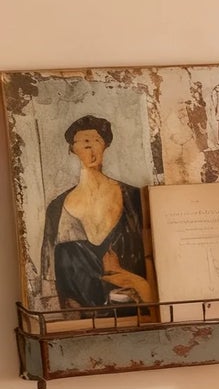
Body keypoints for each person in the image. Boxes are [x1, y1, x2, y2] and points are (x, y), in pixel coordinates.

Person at [39, 114, 154, 314]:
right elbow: (49, 274)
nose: (91, 149)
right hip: (85, 317)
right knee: (66, 251)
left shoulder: (134, 197)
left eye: (97, 141)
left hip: (137, 310)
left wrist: (132, 280)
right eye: (84, 142)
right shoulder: (57, 208)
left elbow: (151, 255)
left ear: (106, 146)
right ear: (72, 149)